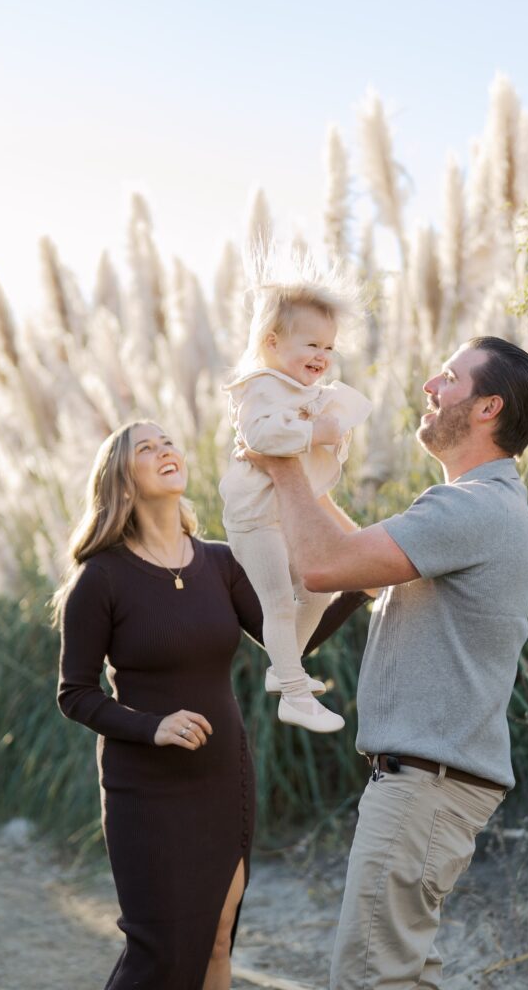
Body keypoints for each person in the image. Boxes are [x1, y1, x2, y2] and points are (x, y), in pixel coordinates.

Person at [243, 336, 528, 988]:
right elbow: (359, 559)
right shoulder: (482, 509)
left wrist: (284, 466)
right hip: (430, 785)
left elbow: (325, 565)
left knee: (370, 979)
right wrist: (296, 468)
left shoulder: (471, 507)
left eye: (448, 378)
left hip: (425, 787)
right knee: (399, 975)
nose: (428, 388)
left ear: (488, 406)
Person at [54, 418, 369, 990]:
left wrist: (355, 592)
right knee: (161, 952)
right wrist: (153, 727)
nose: (164, 450)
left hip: (224, 777)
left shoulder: (221, 563)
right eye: (145, 448)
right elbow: (74, 694)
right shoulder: (99, 579)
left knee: (218, 940)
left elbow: (287, 645)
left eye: (167, 441)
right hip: (145, 786)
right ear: (120, 480)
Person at [219, 280, 371, 733]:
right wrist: (316, 432)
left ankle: (285, 667)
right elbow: (260, 438)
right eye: (311, 344)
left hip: (282, 515)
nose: (322, 356)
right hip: (254, 519)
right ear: (271, 342)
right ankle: (294, 696)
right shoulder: (260, 387)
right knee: (279, 602)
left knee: (320, 589)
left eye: (329, 346)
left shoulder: (298, 389)